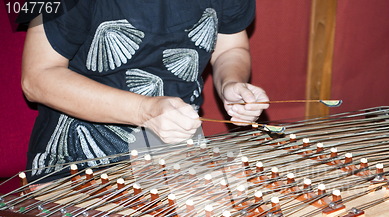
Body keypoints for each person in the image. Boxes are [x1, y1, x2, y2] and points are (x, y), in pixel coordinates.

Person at [21, 0, 269, 182]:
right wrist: (145, 111)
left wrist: (231, 83)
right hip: (78, 161)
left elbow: (230, 48)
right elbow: (37, 79)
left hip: (179, 152)